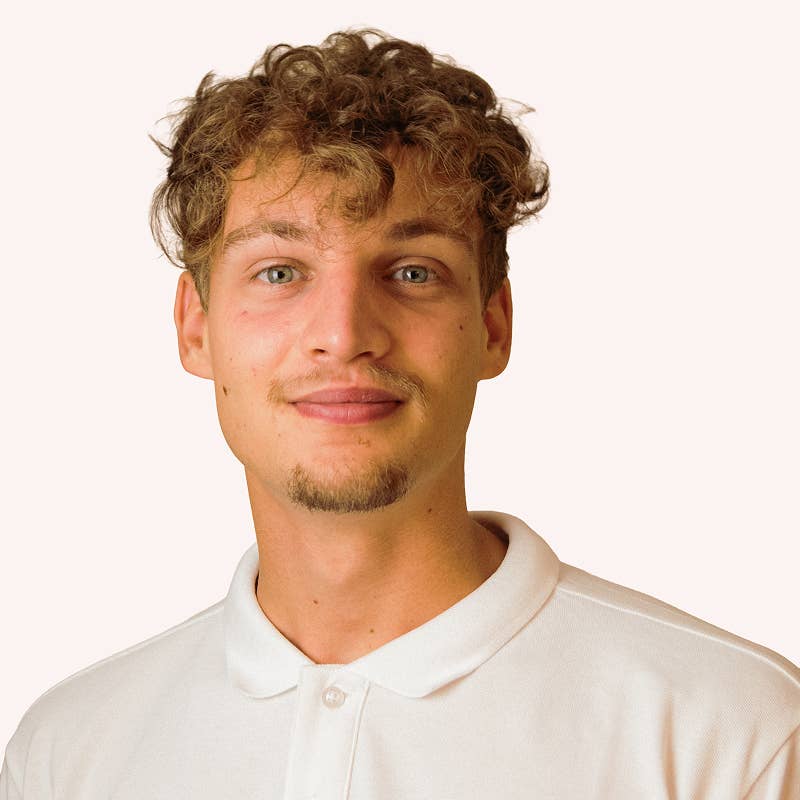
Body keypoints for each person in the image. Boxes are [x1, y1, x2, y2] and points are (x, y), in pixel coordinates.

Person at [1, 28, 797, 800]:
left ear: (493, 325)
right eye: (279, 272)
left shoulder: (734, 738)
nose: (345, 333)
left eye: (413, 271)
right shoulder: (68, 755)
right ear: (195, 328)